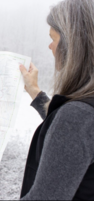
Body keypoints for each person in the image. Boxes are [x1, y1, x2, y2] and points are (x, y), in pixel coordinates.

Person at [19, 0, 94, 200]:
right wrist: (35, 91)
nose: (50, 46)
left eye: (53, 38)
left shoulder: (78, 115)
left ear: (72, 44)